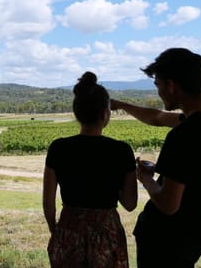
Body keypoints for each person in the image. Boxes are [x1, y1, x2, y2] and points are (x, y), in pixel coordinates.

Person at [111, 47, 201, 267]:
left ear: (172, 85)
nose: (158, 92)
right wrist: (123, 105)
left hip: (165, 240)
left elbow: (168, 204)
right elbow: (157, 117)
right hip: (196, 233)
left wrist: (145, 178)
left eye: (158, 85)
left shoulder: (183, 135)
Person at [43, 71, 137, 268]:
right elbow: (129, 203)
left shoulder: (58, 148)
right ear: (105, 114)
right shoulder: (121, 151)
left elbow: (48, 202)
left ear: (77, 113)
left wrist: (56, 231)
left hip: (69, 229)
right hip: (106, 233)